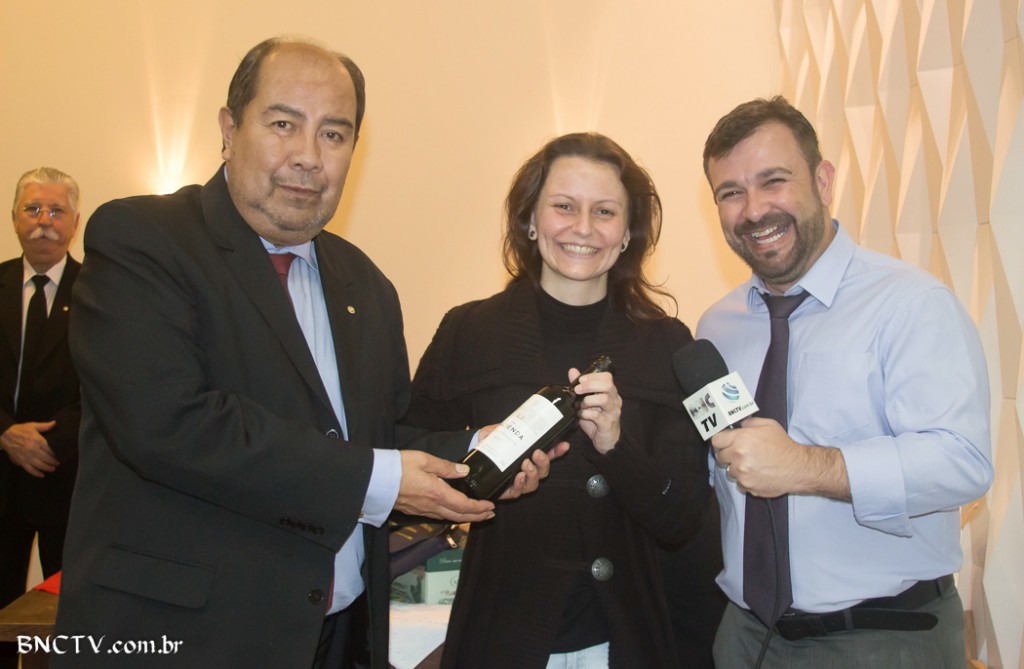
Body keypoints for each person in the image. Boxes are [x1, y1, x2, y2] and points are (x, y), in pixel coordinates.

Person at [53, 37, 552, 669]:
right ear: (229, 130)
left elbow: (377, 436)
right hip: (185, 640)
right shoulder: (144, 240)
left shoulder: (366, 285)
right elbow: (167, 423)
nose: (308, 157)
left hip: (339, 637)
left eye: (333, 134)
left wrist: (475, 452)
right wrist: (380, 479)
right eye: (284, 124)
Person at [698, 95, 993, 668]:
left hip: (884, 639)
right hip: (744, 637)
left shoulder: (911, 303)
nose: (754, 209)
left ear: (823, 180)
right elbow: (718, 470)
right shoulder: (716, 327)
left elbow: (963, 463)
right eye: (731, 192)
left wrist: (805, 466)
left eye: (773, 181)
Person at [406, 132, 714, 668]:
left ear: (628, 233)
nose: (584, 228)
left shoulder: (666, 344)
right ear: (530, 219)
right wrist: (478, 454)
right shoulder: (468, 331)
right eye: (564, 206)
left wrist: (618, 447)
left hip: (627, 641)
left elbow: (682, 518)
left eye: (605, 212)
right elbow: (408, 457)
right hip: (499, 637)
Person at [0, 167, 81, 669]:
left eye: (56, 210)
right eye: (33, 209)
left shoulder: (100, 291)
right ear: (14, 218)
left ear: (75, 222)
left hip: (68, 478)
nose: (44, 221)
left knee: (67, 623)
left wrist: (51, 442)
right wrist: (5, 433)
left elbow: (109, 387)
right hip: (0, 476)